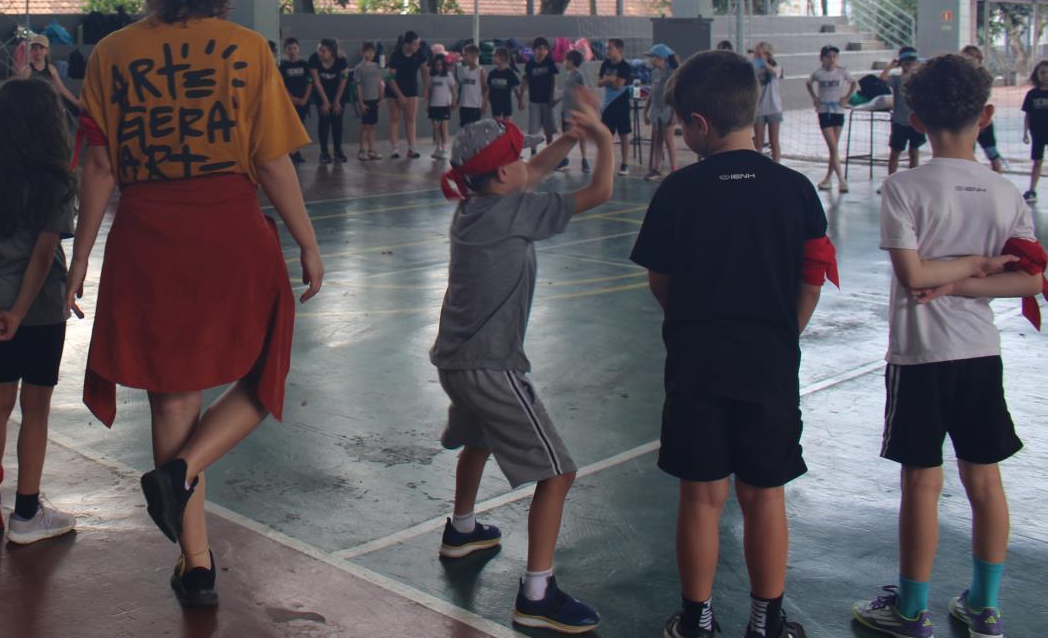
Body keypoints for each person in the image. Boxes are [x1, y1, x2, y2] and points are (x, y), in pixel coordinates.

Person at [67, 0, 323, 608]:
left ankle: (199, 565)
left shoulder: (111, 54)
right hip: (229, 229)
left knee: (172, 398)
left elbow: (98, 168)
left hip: (149, 237)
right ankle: (180, 478)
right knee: (265, 370)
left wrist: (80, 257)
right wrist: (307, 242)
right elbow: (271, 162)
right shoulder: (247, 50)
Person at [630, 50, 836, 638]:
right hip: (770, 363)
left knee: (701, 496)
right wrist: (784, 332)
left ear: (699, 123)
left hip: (697, 363)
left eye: (681, 125)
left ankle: (696, 621)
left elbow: (660, 279)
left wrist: (694, 321)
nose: (681, 133)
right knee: (765, 495)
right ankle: (767, 621)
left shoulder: (679, 191)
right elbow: (813, 277)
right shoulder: (795, 189)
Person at [851, 52, 1042, 638]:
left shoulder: (904, 187)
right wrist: (976, 272)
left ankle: (911, 610)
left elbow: (914, 275)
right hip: (980, 354)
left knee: (921, 482)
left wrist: (953, 278)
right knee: (985, 480)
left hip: (921, 357)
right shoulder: (1006, 192)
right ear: (985, 116)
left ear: (917, 119)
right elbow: (1030, 280)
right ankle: (985, 606)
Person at [430, 93, 613, 634]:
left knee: (479, 438)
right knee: (558, 472)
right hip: (491, 366)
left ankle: (463, 530)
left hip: (455, 362)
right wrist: (602, 139)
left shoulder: (475, 206)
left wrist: (569, 138)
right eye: (517, 156)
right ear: (503, 172)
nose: (526, 162)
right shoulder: (515, 211)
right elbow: (599, 192)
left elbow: (529, 172)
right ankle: (537, 594)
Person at [0, 78, 78, 544]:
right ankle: (27, 512)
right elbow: (44, 254)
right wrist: (19, 313)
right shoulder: (55, 182)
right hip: (41, 310)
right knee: (35, 408)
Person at [806, 45, 856, 192]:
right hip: (824, 112)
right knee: (833, 147)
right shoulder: (819, 73)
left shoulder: (842, 72)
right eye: (828, 56)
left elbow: (854, 83)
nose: (832, 59)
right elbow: (808, 83)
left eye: (834, 56)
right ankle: (841, 179)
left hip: (838, 112)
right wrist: (815, 97)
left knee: (833, 148)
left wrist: (846, 98)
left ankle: (828, 178)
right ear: (822, 59)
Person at [881, 47, 925, 182]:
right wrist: (889, 67)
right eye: (906, 63)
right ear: (901, 64)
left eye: (912, 63)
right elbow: (882, 79)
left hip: (916, 121)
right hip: (900, 121)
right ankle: (890, 180)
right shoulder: (896, 79)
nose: (910, 66)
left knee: (914, 151)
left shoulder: (919, 80)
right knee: (895, 152)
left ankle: (912, 181)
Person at [961, 46, 1004, 174]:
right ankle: (967, 178)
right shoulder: (960, 76)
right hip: (965, 120)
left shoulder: (983, 76)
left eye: (972, 56)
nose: (969, 58)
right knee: (966, 153)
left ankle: (998, 177)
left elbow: (981, 97)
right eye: (966, 56)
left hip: (980, 119)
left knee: (991, 152)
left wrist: (981, 119)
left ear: (979, 59)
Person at [19, 32, 84, 117]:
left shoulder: (51, 69)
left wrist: (77, 103)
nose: (38, 51)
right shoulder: (27, 70)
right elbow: (20, 91)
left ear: (46, 51)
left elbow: (62, 89)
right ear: (31, 51)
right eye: (35, 48)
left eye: (41, 48)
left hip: (48, 105)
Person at [309, 38, 350, 163]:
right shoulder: (314, 59)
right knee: (324, 121)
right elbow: (316, 82)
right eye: (319, 50)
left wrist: (337, 101)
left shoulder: (342, 61)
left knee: (337, 121)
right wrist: (325, 101)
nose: (320, 53)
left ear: (331, 52)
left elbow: (343, 81)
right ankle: (324, 152)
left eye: (323, 51)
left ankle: (338, 151)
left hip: (338, 92)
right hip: (322, 93)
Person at [596, 39, 633, 176]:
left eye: (610, 48)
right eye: (607, 48)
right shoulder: (605, 64)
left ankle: (625, 164)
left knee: (623, 134)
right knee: (606, 135)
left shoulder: (625, 67)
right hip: (608, 105)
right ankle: (606, 163)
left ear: (619, 50)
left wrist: (609, 79)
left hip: (621, 104)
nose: (607, 51)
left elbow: (618, 85)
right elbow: (599, 83)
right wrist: (611, 79)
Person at [387, 31, 425, 159]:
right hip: (394, 90)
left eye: (418, 44)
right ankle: (395, 149)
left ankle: (412, 148)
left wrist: (426, 88)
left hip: (411, 89)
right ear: (407, 44)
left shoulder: (419, 53)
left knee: (410, 118)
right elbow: (390, 78)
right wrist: (400, 96)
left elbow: (425, 71)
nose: (417, 47)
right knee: (395, 118)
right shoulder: (396, 55)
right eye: (415, 44)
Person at [644, 43, 679, 180]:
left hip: (668, 110)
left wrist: (674, 113)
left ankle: (674, 169)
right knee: (657, 139)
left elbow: (676, 95)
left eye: (653, 57)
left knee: (668, 139)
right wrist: (646, 111)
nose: (651, 60)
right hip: (656, 110)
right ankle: (656, 169)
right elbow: (652, 93)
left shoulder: (673, 74)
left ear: (661, 58)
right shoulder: (655, 73)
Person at [278, 37, 314, 165]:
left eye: (294, 48)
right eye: (289, 48)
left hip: (303, 102)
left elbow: (310, 82)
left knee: (300, 127)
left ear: (298, 49)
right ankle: (290, 152)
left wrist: (305, 98)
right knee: (289, 127)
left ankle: (296, 151)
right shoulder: (283, 66)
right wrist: (292, 98)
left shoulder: (305, 64)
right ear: (285, 50)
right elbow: (281, 85)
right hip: (289, 102)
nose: (292, 51)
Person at [750, 42, 785, 165]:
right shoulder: (754, 68)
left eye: (762, 54)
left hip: (774, 108)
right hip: (758, 109)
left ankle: (776, 166)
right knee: (758, 142)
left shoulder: (777, 67)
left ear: (768, 55)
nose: (758, 56)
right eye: (757, 54)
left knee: (774, 140)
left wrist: (763, 62)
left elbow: (774, 73)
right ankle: (758, 166)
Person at [522, 37, 558, 152]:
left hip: (547, 101)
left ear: (547, 51)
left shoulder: (549, 62)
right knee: (533, 131)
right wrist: (521, 98)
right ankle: (533, 153)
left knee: (549, 130)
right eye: (539, 49)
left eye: (544, 49)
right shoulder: (530, 64)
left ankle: (549, 152)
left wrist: (552, 96)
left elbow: (553, 80)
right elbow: (525, 80)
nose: (542, 51)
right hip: (534, 101)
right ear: (534, 50)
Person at [352, 42, 386, 160]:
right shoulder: (359, 68)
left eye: (372, 52)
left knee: (372, 126)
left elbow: (380, 83)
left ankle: (372, 150)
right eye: (368, 51)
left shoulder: (376, 66)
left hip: (375, 100)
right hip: (365, 101)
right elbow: (358, 86)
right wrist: (361, 103)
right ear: (362, 52)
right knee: (365, 126)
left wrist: (381, 98)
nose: (370, 54)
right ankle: (362, 150)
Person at [559, 50, 592, 173]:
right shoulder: (569, 75)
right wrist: (557, 101)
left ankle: (584, 160)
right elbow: (567, 92)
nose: (564, 62)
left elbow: (584, 91)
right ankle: (564, 159)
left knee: (580, 135)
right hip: (566, 109)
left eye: (565, 60)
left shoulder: (579, 75)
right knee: (567, 135)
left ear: (571, 61)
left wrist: (583, 108)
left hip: (575, 111)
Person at [1021, 59, 1048, 205]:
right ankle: (1032, 190)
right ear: (1037, 75)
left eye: (1047, 72)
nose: (1045, 75)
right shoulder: (1032, 94)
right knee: (1037, 162)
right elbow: (1028, 115)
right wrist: (1025, 133)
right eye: (1042, 72)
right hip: (1038, 133)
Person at [427, 52, 457, 159]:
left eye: (441, 65)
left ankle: (445, 149)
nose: (439, 67)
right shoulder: (433, 77)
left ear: (444, 65)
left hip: (444, 105)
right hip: (434, 105)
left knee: (444, 127)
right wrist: (429, 104)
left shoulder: (448, 76)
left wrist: (454, 101)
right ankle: (437, 148)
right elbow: (430, 91)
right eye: (436, 65)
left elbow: (453, 90)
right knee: (436, 128)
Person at [486, 44, 520, 126]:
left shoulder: (509, 73)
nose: (493, 58)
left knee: (507, 125)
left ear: (503, 58)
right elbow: (488, 89)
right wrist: (484, 102)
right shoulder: (492, 73)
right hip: (495, 103)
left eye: (495, 56)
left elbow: (516, 89)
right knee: (497, 125)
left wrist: (520, 101)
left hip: (506, 103)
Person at [455, 44, 485, 128]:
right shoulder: (465, 70)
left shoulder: (480, 71)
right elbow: (462, 87)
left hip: (474, 104)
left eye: (466, 55)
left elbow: (484, 88)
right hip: (464, 104)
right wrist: (458, 100)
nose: (464, 57)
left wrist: (484, 103)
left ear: (474, 55)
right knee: (464, 126)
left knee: (474, 127)